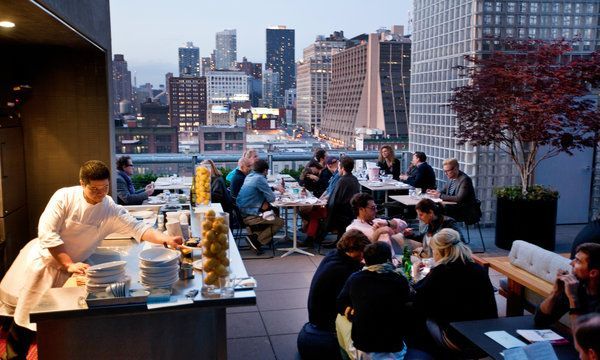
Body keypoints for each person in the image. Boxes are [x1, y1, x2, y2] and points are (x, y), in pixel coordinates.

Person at [0, 160, 182, 359]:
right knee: (26, 316)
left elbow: (137, 228)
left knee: (59, 320)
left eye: (105, 187)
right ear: (82, 183)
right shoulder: (64, 198)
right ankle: (11, 356)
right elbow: (47, 233)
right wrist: (68, 264)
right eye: (95, 189)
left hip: (77, 265)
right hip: (47, 262)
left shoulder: (108, 206)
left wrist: (166, 239)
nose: (101, 193)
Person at [413, 228, 497, 354]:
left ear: (441, 251)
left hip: (459, 340)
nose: (433, 253)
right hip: (487, 337)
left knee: (415, 315)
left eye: (434, 250)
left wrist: (415, 275)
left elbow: (418, 300)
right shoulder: (478, 269)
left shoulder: (440, 272)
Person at [297, 230, 371, 360]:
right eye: (362, 252)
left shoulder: (334, 256)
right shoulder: (343, 270)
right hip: (327, 323)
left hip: (316, 318)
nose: (363, 256)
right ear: (354, 250)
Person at [336, 242, 411, 360]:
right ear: (388, 259)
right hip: (395, 351)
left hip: (362, 350)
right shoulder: (400, 280)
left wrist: (351, 311)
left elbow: (340, 303)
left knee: (340, 319)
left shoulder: (355, 278)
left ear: (364, 260)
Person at [535, 243, 600, 334]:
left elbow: (582, 340)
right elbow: (541, 320)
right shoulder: (577, 286)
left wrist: (573, 299)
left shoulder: (575, 291)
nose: (571, 263)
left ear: (593, 273)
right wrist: (556, 292)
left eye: (578, 261)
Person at [236, 159, 285, 254]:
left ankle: (254, 236)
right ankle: (257, 242)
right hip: (250, 214)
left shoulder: (249, 176)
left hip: (242, 211)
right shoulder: (260, 178)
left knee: (273, 211)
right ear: (265, 170)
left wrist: (273, 188)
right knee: (280, 222)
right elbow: (271, 199)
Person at [325, 156, 361, 246]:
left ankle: (316, 239)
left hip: (342, 213)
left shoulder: (342, 181)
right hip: (351, 211)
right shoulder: (354, 179)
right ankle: (338, 240)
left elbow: (334, 200)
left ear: (342, 168)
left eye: (339, 167)